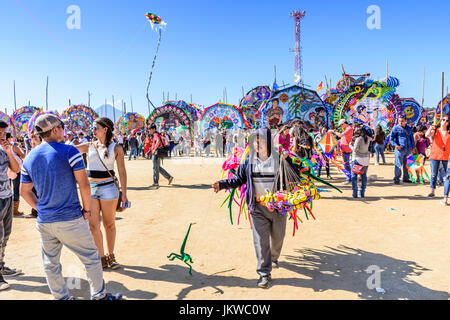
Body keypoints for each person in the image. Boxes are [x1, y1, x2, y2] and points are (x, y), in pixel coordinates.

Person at [20, 114, 123, 300]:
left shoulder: (29, 158)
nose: (63, 129)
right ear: (54, 130)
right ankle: (99, 296)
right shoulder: (69, 152)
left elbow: (24, 191)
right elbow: (83, 184)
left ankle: (61, 297)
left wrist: (39, 208)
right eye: (61, 126)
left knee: (51, 263)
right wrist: (87, 209)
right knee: (91, 257)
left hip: (45, 221)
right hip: (70, 218)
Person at [212, 128, 296, 288]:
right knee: (261, 241)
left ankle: (274, 257)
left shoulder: (279, 159)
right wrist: (221, 184)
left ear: (268, 142)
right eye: (255, 141)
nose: (257, 144)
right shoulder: (248, 161)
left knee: (278, 238)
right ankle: (264, 273)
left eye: (261, 141)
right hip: (257, 208)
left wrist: (289, 160)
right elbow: (239, 179)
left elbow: (294, 175)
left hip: (278, 208)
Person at [75, 117, 128, 270]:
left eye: (95, 127)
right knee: (93, 225)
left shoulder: (116, 148)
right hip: (90, 188)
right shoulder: (89, 145)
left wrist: (124, 194)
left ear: (105, 129)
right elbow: (71, 150)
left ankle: (111, 255)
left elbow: (122, 172)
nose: (93, 130)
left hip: (108, 188)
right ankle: (101, 257)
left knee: (109, 224)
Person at [0, 121, 21, 290]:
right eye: (0, 132)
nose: (2, 135)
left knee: (5, 235)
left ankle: (1, 266)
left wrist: (9, 152)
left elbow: (15, 170)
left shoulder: (4, 149)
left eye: (4, 132)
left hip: (7, 196)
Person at [425, 115, 450, 197]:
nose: (444, 121)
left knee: (448, 175)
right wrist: (430, 128)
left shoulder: (449, 132)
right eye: (443, 120)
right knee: (433, 174)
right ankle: (432, 191)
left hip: (446, 156)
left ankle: (446, 193)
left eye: (447, 120)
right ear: (441, 120)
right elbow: (426, 135)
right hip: (435, 155)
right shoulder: (436, 130)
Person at [390, 115, 415, 185]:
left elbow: (412, 138)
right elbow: (391, 139)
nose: (400, 122)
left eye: (402, 121)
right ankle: (397, 179)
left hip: (408, 149)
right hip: (400, 150)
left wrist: (413, 147)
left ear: (405, 121)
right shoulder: (395, 128)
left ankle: (406, 178)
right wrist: (396, 145)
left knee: (407, 164)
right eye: (399, 121)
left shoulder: (409, 128)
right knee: (398, 164)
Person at [6, 133, 26, 217]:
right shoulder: (13, 146)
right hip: (15, 170)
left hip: (5, 171)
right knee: (16, 189)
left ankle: (7, 210)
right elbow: (23, 155)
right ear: (9, 138)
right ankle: (14, 210)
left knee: (7, 190)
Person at [350, 127, 371, 198]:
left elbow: (355, 150)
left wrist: (350, 146)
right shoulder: (368, 139)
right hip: (365, 160)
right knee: (363, 176)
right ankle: (362, 193)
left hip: (357, 159)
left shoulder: (358, 139)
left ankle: (355, 194)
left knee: (354, 177)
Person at [332, 119, 353, 184]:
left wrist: (334, 132)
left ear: (344, 123)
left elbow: (341, 135)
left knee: (346, 164)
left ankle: (349, 178)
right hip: (345, 149)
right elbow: (343, 138)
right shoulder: (347, 129)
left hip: (346, 149)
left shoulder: (348, 129)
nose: (341, 126)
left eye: (341, 125)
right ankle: (349, 177)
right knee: (346, 164)